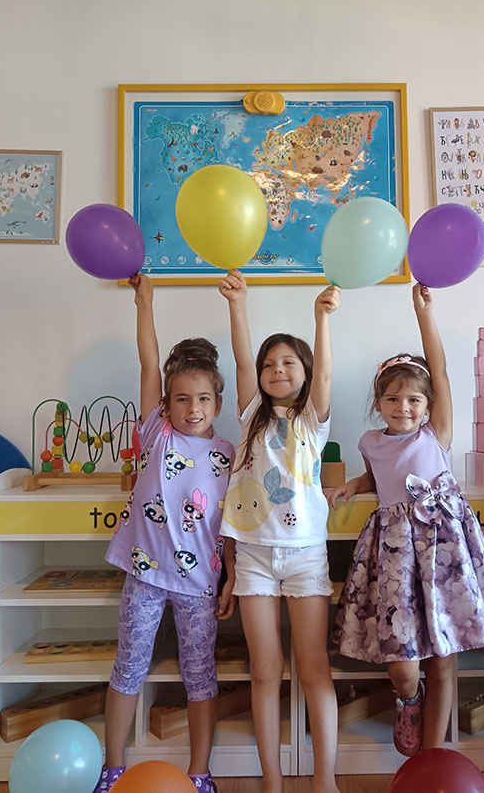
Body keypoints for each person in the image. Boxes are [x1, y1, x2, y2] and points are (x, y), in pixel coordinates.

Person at [330, 283, 484, 757]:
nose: (403, 408)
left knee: (443, 656)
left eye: (413, 400)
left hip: (444, 549)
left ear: (428, 406)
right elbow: (380, 478)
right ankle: (409, 699)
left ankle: (432, 754)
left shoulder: (436, 434)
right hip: (395, 555)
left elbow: (440, 372)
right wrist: (353, 485)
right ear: (378, 403)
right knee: (403, 661)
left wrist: (424, 314)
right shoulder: (370, 442)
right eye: (392, 399)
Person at [94, 273, 236, 793]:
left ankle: (200, 772)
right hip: (146, 575)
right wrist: (145, 302)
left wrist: (231, 578)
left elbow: (232, 524)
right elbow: (149, 364)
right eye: (181, 399)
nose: (192, 408)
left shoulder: (228, 455)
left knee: (200, 675)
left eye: (202, 399)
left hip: (200, 585)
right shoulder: (157, 436)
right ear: (165, 405)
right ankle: (112, 767)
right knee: (128, 667)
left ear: (217, 404)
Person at [218, 269, 340, 793]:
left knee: (313, 670)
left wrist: (321, 318)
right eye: (270, 364)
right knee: (264, 671)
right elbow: (242, 357)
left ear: (305, 373)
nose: (276, 370)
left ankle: (324, 780)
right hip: (254, 557)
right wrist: (237, 305)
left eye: (288, 363)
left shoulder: (313, 419)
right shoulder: (251, 417)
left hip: (306, 554)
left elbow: (326, 373)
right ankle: (272, 779)